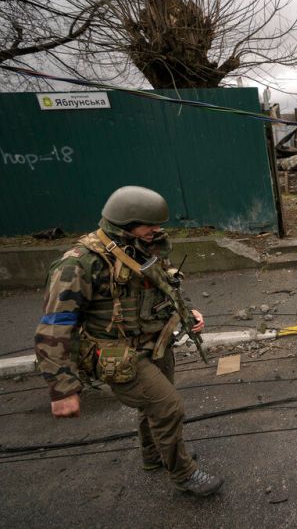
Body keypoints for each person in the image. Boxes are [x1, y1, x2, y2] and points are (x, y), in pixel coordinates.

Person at [34, 186, 224, 497]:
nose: (157, 231)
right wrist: (62, 389)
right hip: (118, 355)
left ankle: (155, 455)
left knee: (154, 407)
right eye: (151, 225)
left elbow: (168, 284)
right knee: (168, 408)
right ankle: (184, 473)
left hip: (156, 343)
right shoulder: (80, 264)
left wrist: (188, 311)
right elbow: (54, 329)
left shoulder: (143, 246)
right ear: (126, 223)